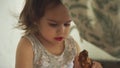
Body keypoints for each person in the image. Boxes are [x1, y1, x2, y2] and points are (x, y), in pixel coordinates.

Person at [15, 0, 102, 68]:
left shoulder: (73, 47)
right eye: (53, 24)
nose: (62, 31)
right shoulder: (28, 46)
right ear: (35, 19)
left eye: (67, 24)